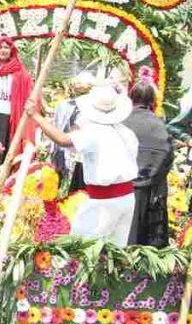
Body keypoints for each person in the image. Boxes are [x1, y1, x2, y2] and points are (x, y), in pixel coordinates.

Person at [26, 84, 139, 246]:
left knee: (81, 247)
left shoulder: (93, 132)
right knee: (115, 249)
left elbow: (62, 140)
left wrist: (36, 116)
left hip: (104, 200)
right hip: (127, 198)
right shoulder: (126, 132)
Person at [123, 81, 173, 247]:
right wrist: (152, 177)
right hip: (152, 190)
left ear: (130, 98)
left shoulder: (122, 122)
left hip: (123, 187)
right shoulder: (159, 125)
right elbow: (167, 156)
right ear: (152, 101)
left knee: (124, 236)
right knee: (148, 242)